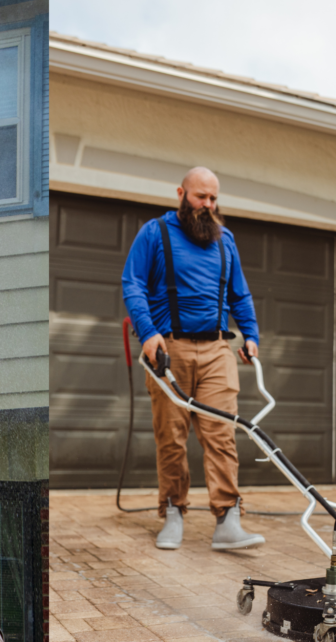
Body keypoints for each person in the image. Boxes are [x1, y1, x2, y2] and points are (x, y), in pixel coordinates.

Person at [121, 166, 266, 552]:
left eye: (214, 198)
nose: (208, 205)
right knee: (171, 438)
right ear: (182, 193)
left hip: (218, 349)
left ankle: (228, 520)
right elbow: (132, 282)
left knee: (222, 435)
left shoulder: (226, 240)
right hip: (170, 348)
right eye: (201, 196)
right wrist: (148, 332)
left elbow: (240, 295)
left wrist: (250, 334)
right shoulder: (155, 233)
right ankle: (173, 513)